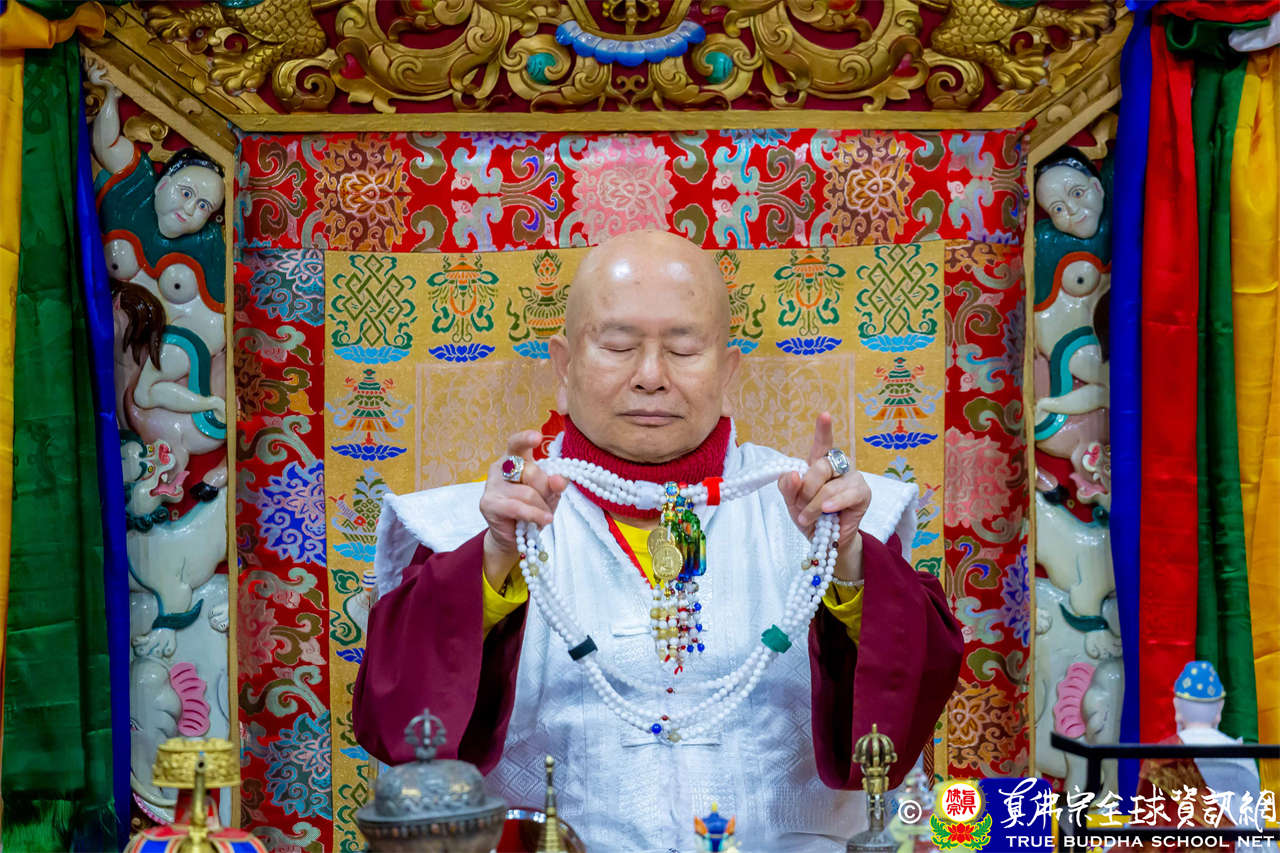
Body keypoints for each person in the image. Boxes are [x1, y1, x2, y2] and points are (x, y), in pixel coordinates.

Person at [354, 230, 963, 852]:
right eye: (618, 346)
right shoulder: (474, 526)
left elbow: (909, 698)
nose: (651, 377)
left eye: (684, 349)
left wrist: (847, 555)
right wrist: (494, 559)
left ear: (727, 369)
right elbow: (396, 723)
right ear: (564, 366)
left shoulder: (817, 509)